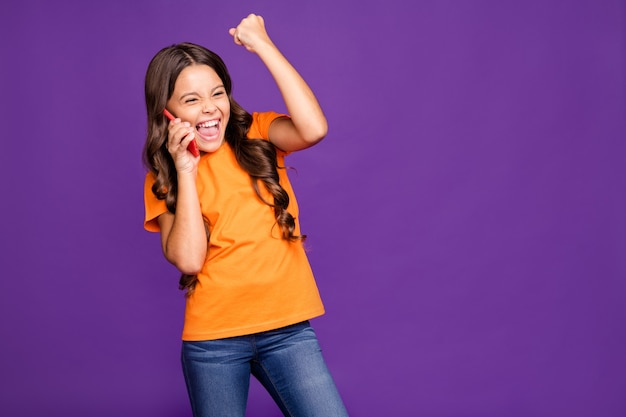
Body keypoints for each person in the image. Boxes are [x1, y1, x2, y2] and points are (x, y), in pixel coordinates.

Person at [142, 14, 349, 417]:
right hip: (213, 342)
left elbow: (314, 128)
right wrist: (185, 169)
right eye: (191, 100)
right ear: (166, 111)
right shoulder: (164, 174)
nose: (209, 109)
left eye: (217, 93)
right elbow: (188, 259)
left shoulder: (259, 132)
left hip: (288, 332)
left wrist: (263, 46)